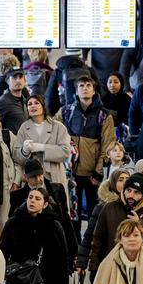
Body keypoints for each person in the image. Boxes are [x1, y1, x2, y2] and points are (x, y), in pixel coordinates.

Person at [0, 188, 73, 284]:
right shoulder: (13, 223)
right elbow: (2, 253)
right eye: (30, 197)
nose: (32, 201)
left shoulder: (53, 226)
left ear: (45, 204)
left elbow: (62, 259)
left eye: (37, 199)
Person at [54, 76, 116, 228]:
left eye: (89, 85)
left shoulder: (104, 115)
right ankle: (74, 243)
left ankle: (92, 242)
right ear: (76, 91)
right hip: (70, 174)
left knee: (94, 215)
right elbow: (53, 132)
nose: (85, 88)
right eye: (81, 85)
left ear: (94, 91)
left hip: (92, 175)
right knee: (72, 215)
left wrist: (98, 173)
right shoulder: (66, 111)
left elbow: (108, 146)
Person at [87, 172, 143, 280]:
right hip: (112, 269)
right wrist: (94, 268)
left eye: (136, 192)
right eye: (128, 190)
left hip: (141, 273)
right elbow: (97, 239)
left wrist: (140, 223)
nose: (131, 195)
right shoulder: (109, 208)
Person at [12, 95, 72, 190]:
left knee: (55, 198)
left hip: (54, 175)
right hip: (32, 177)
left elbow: (65, 151)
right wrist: (24, 151)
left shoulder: (58, 127)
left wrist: (42, 147)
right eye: (29, 104)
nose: (33, 106)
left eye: (36, 103)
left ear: (43, 107)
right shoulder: (23, 128)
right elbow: (16, 157)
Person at [0, 67, 30, 135]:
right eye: (14, 77)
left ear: (25, 80)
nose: (18, 80)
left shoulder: (25, 100)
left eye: (21, 77)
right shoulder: (2, 102)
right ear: (7, 81)